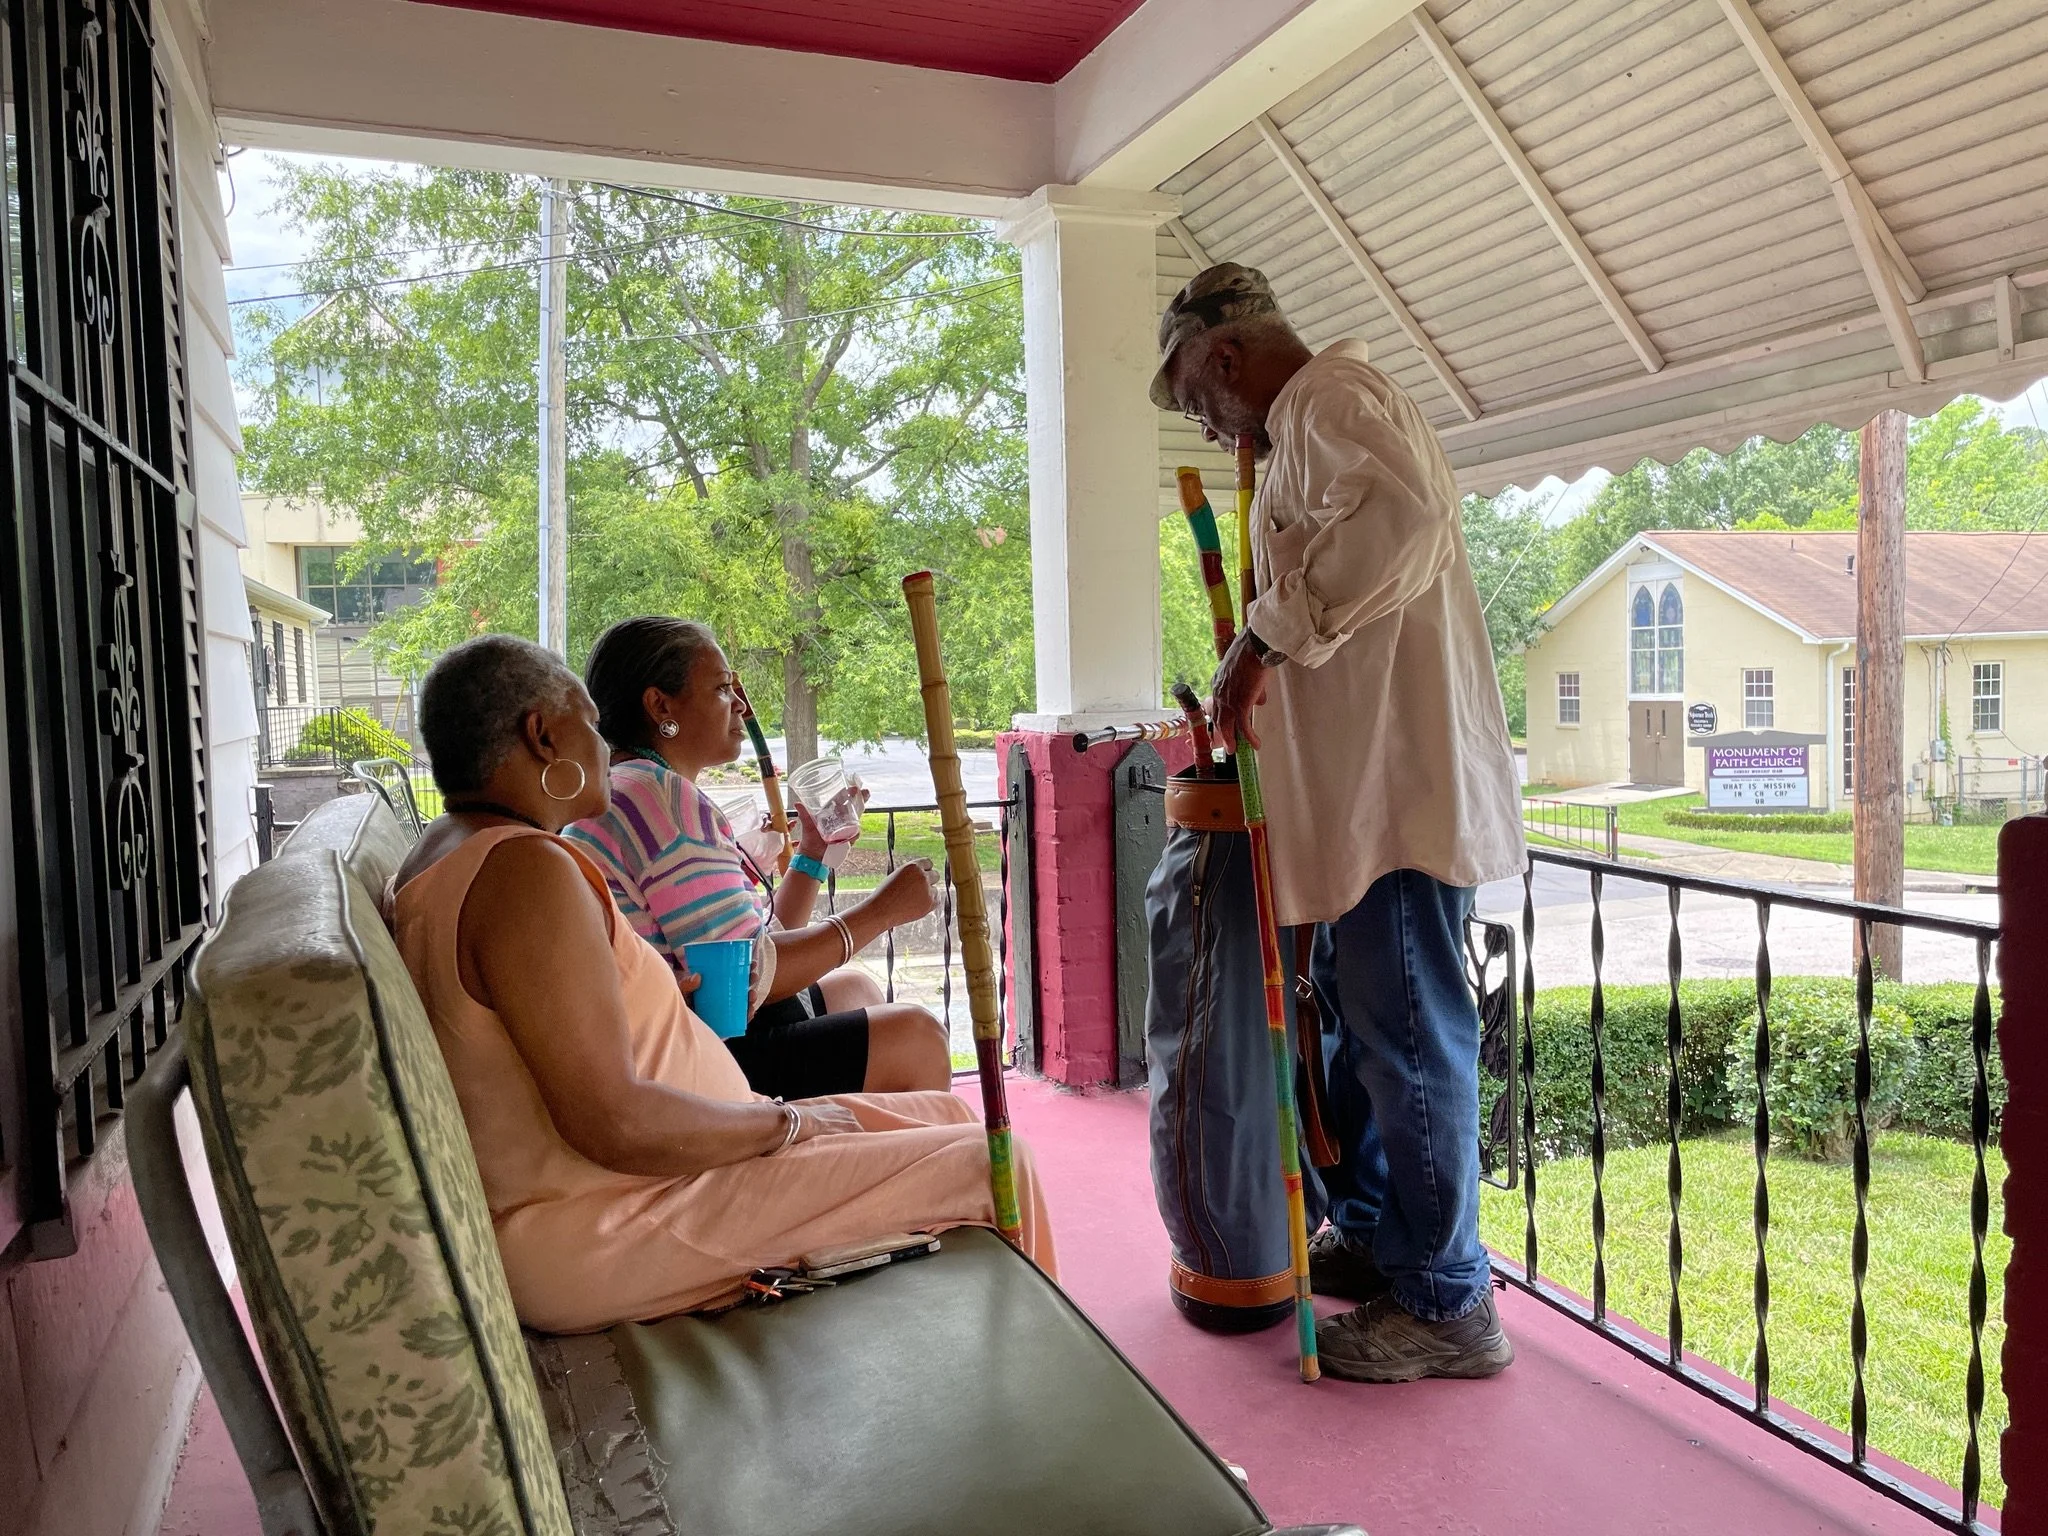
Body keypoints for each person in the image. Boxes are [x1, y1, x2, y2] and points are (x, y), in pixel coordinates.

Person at [387, 634, 1054, 1332]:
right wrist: (783, 1122)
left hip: (649, 1182)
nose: (602, 748)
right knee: (997, 1161)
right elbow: (612, 1121)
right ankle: (1042, 1397)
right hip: (617, 1218)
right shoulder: (525, 873)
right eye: (587, 723)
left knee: (949, 1118)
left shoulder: (452, 853)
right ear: (543, 736)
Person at [1148, 263, 1526, 1383]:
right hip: (1365, 806)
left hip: (1394, 805)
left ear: (1223, 357)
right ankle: (1380, 1234)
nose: (1203, 423)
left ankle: (1450, 1303)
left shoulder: (1327, 401)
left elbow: (1400, 520)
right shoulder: (1307, 420)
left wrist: (1261, 637)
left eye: (1191, 396)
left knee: (1409, 1045)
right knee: (1373, 1043)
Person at [568, 616, 951, 1100]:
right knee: (919, 1037)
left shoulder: (630, 789)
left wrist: (812, 853)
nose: (742, 707)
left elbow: (760, 954)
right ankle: (910, 1166)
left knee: (854, 990)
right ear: (660, 705)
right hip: (703, 1066)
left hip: (694, 1036)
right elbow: (751, 980)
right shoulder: (661, 803)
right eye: (724, 689)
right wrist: (880, 913)